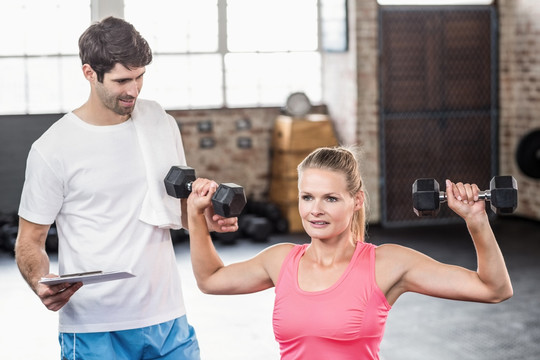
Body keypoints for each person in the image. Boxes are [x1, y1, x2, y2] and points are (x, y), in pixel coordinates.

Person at [14, 17, 237, 360]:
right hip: (94, 327)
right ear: (89, 73)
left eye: (140, 77)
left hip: (167, 317)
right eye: (122, 80)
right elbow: (29, 241)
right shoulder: (52, 149)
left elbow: (173, 207)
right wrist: (40, 281)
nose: (133, 90)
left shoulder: (159, 122)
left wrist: (207, 219)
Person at [186, 146, 513, 360]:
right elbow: (210, 280)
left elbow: (494, 289)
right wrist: (195, 216)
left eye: (330, 198)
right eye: (307, 197)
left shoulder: (387, 264)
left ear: (356, 200)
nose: (315, 210)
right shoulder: (281, 259)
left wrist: (476, 221)